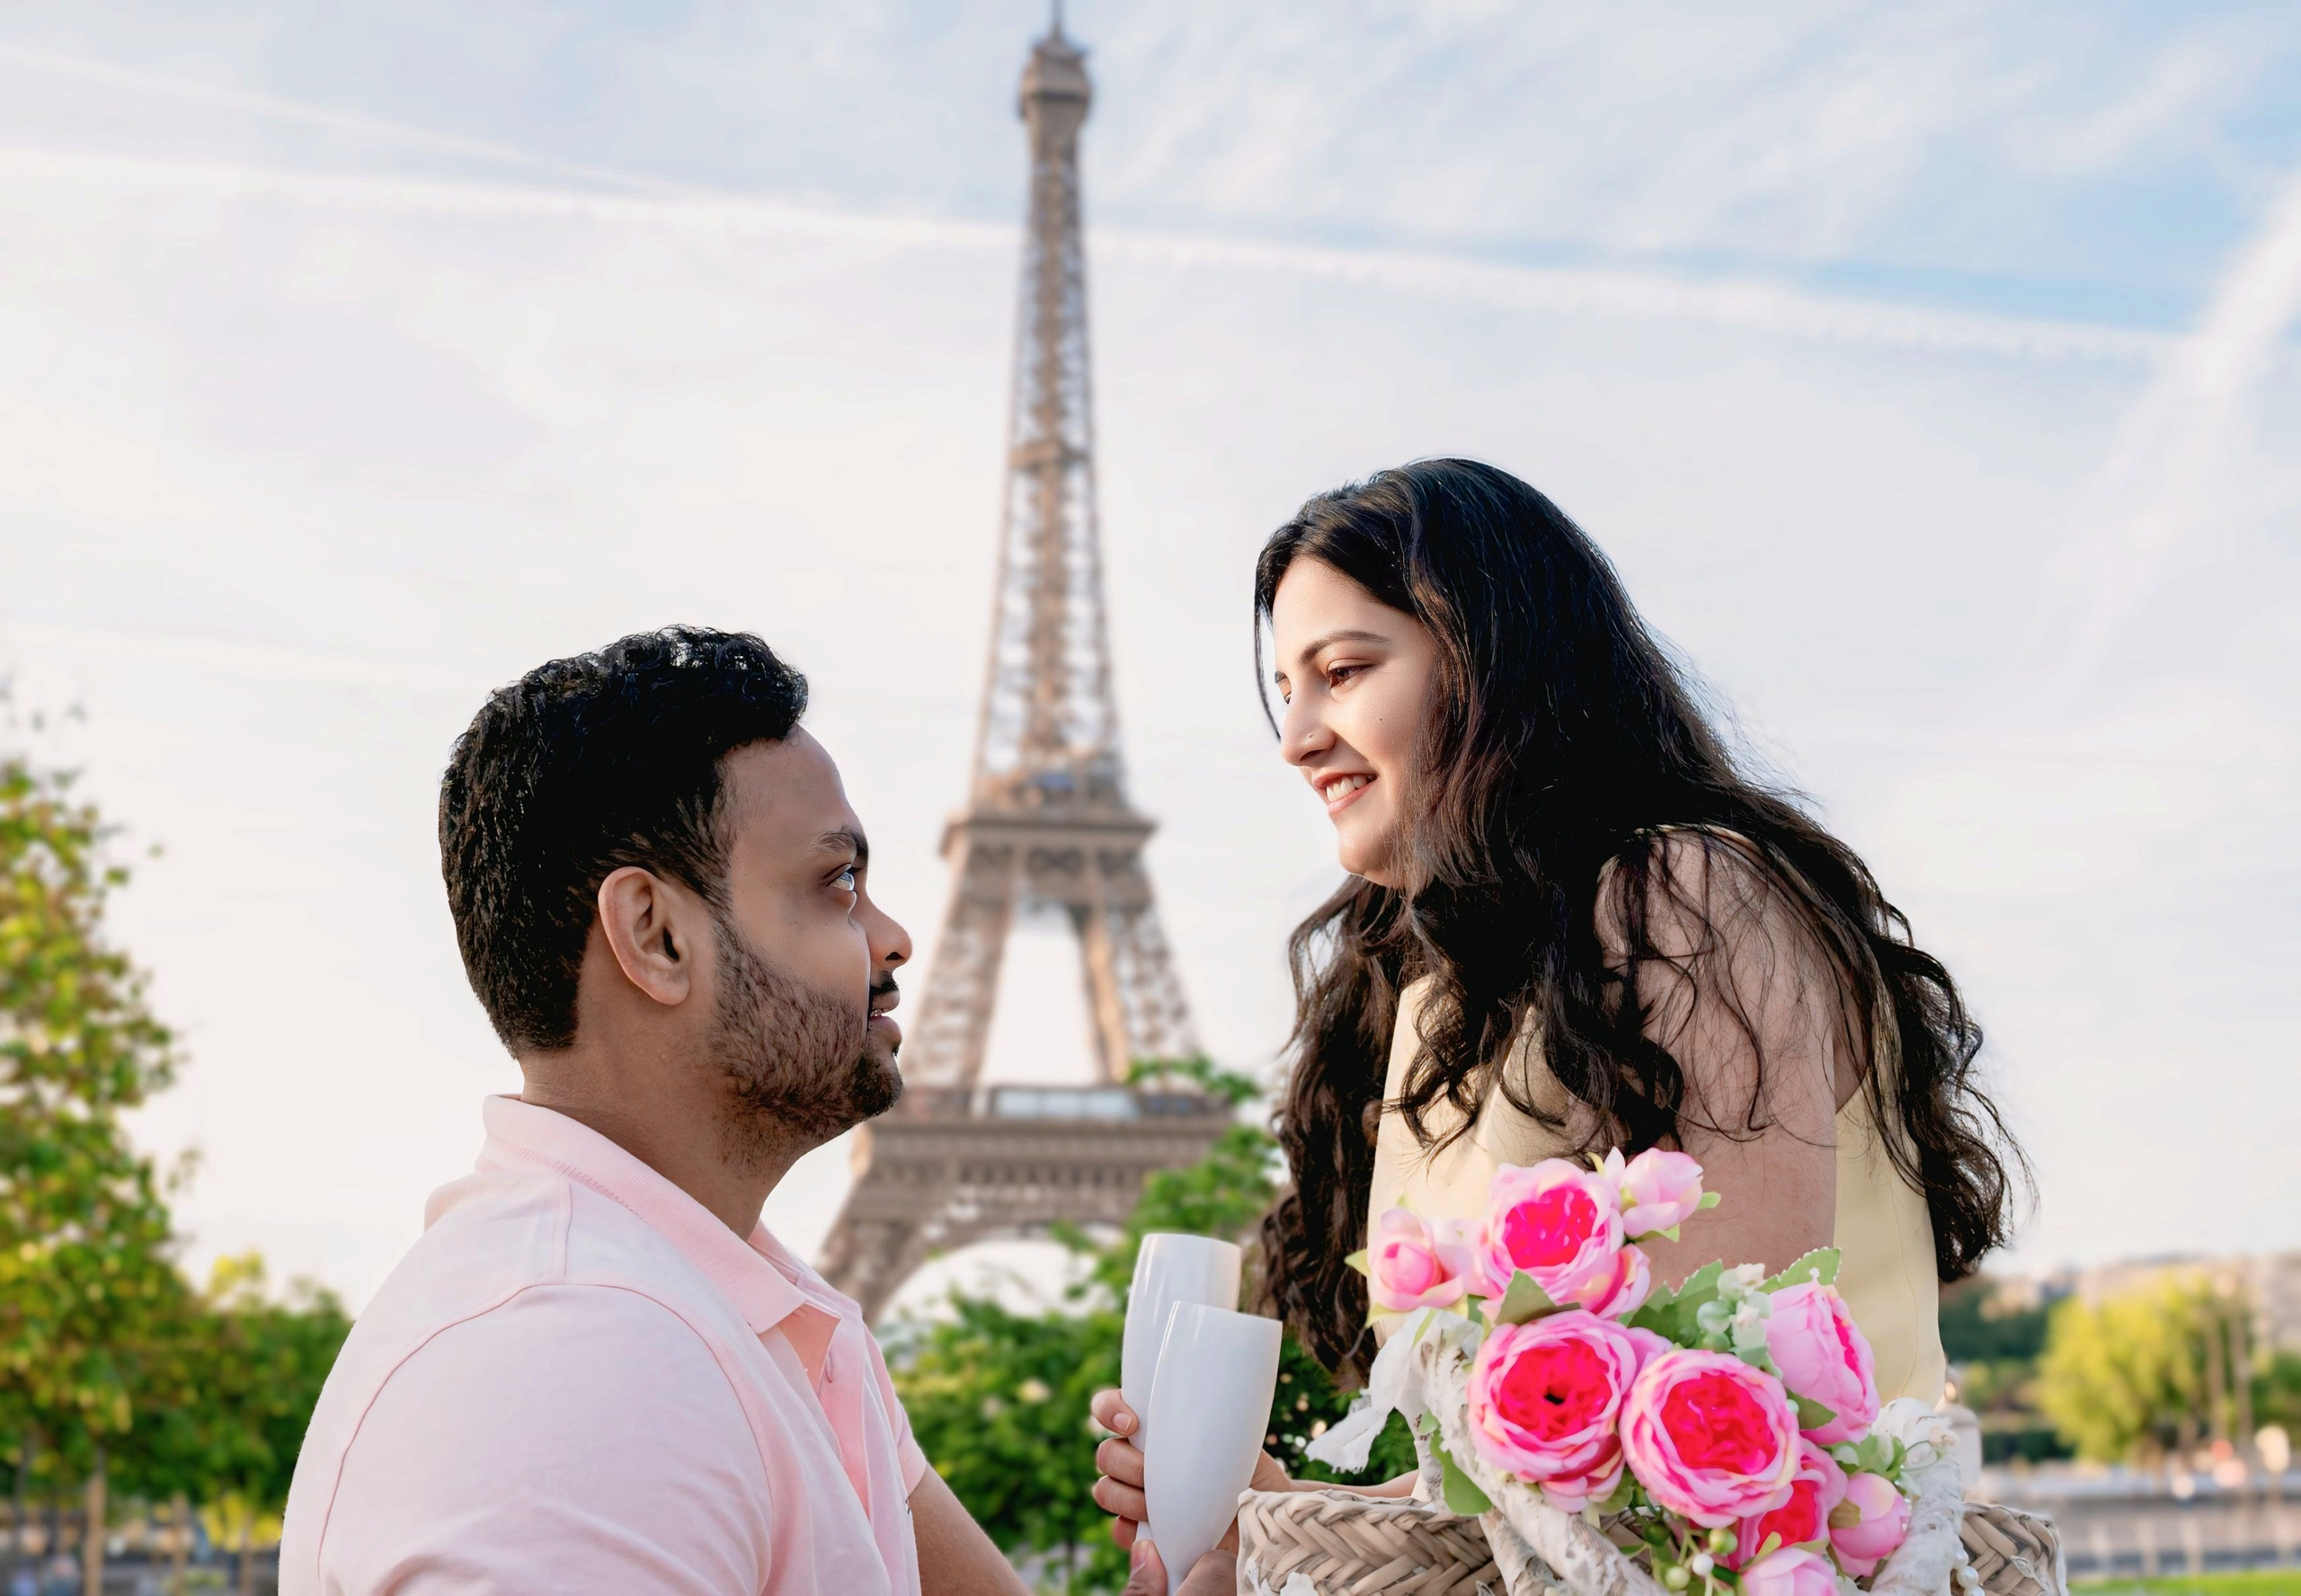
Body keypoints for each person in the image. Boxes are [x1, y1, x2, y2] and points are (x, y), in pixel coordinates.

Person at [1091, 458, 2023, 1542]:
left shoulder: (1683, 895)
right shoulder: (1439, 990)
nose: (1296, 736)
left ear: (1491, 660)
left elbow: (1706, 1415)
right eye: (1285, 690)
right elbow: (1529, 1482)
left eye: (1342, 671)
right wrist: (1267, 1526)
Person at [280, 627, 1028, 1596]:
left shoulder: (743, 1318)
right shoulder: (583, 1367)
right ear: (656, 935)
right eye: (836, 883)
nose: (892, 938)